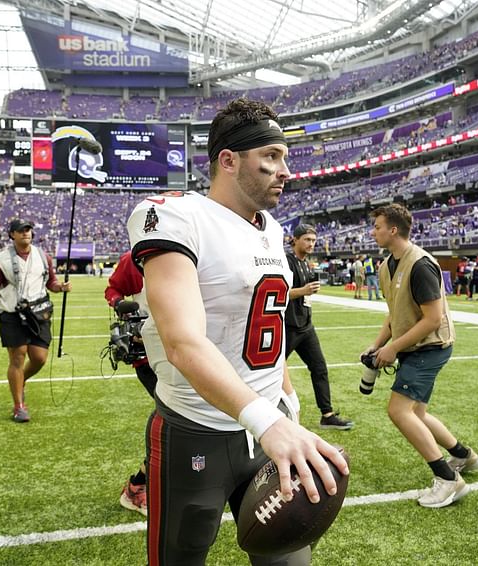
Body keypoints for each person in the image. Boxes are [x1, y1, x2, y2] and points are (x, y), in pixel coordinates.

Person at [127, 98, 348, 565]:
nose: (285, 169)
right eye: (270, 156)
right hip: (197, 429)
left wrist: (287, 398)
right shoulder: (177, 217)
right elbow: (184, 343)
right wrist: (269, 422)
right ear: (227, 160)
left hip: (269, 424)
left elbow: (263, 319)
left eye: (285, 157)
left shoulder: (270, 228)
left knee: (289, 559)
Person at [364, 204, 478, 508]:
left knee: (399, 411)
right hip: (415, 347)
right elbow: (394, 314)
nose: (372, 231)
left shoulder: (420, 264)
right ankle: (463, 456)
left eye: (377, 226)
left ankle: (448, 480)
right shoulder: (386, 265)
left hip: (430, 347)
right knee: (417, 413)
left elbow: (432, 319)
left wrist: (393, 348)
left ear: (393, 230)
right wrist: (378, 344)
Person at [0, 219, 72, 423]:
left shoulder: (43, 256)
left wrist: (60, 287)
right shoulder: (1, 260)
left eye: (28, 230)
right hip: (12, 313)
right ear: (12, 235)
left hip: (39, 313)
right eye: (21, 231)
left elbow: (50, 282)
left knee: (39, 358)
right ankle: (19, 406)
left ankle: (21, 381)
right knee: (17, 357)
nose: (26, 233)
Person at [104, 250, 157, 516]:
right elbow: (113, 289)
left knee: (186, 417)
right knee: (175, 417)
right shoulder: (132, 259)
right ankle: (138, 486)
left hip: (185, 349)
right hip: (149, 352)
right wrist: (124, 312)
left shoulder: (193, 250)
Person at [285, 223, 354, 431]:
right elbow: (281, 292)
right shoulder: (285, 262)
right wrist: (303, 290)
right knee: (269, 372)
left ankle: (327, 414)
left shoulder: (306, 263)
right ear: (295, 240)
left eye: (313, 240)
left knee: (320, 368)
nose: (311, 244)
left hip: (306, 325)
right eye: (307, 239)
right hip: (287, 326)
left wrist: (308, 291)